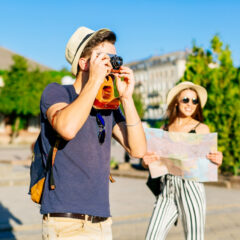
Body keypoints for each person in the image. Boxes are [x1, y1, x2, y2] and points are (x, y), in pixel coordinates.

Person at [40, 26, 146, 240]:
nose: (111, 64)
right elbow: (67, 129)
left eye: (114, 59)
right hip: (66, 222)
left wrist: (126, 98)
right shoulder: (58, 92)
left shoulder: (108, 106)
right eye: (104, 58)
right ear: (84, 63)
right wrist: (96, 80)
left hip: (101, 222)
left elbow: (138, 150)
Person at [142, 81, 223, 240]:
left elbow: (210, 162)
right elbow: (152, 162)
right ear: (176, 102)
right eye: (186, 99)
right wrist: (146, 161)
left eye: (194, 101)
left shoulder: (201, 128)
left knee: (194, 238)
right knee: (152, 237)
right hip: (167, 189)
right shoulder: (164, 129)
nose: (190, 104)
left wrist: (217, 160)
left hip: (191, 188)